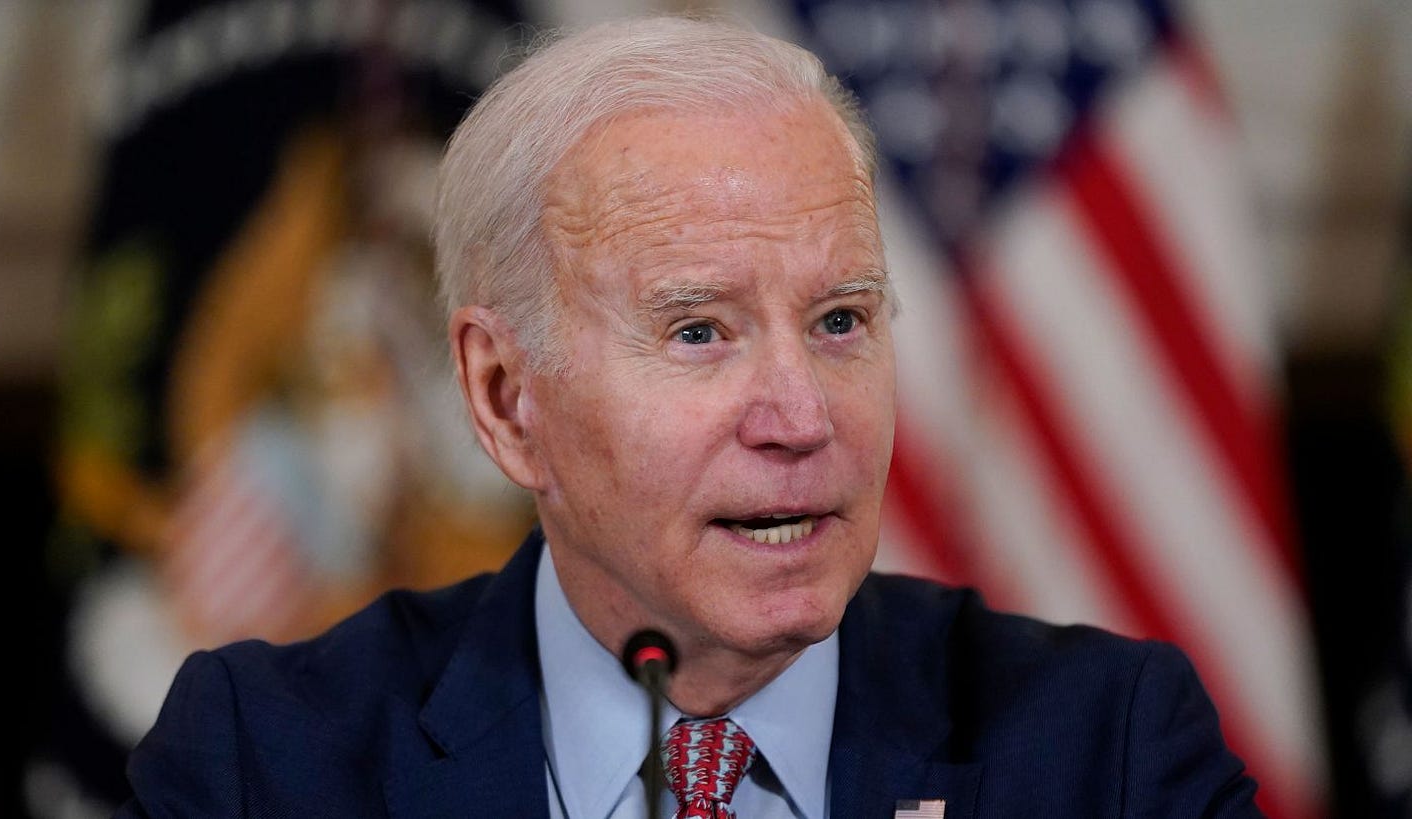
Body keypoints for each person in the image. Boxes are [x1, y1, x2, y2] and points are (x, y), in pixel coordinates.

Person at [119, 16, 1263, 818]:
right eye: (699, 332)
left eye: (840, 321)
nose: (801, 416)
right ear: (504, 398)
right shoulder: (264, 769)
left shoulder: (1102, 753)